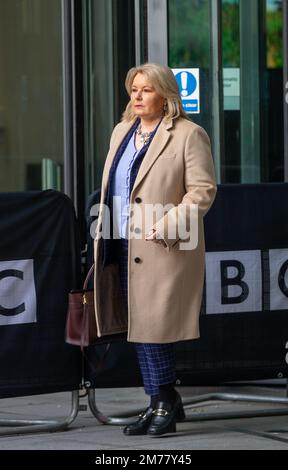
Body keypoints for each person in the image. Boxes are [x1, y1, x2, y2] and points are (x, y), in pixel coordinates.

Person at [93, 63, 217, 436]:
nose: (137, 96)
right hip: (121, 239)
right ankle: (162, 401)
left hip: (163, 244)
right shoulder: (121, 132)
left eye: (146, 90)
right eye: (134, 89)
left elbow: (202, 191)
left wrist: (167, 227)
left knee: (154, 328)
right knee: (138, 326)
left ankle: (162, 400)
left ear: (165, 95)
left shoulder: (188, 135)